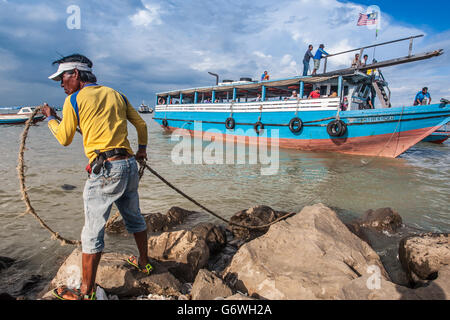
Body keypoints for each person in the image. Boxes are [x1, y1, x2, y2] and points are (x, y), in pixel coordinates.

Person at [42, 54, 152, 300]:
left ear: (76, 75)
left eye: (62, 78)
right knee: (134, 217)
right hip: (128, 165)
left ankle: (86, 292)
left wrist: (50, 117)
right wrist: (142, 150)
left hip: (107, 171)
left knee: (91, 232)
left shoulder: (74, 100)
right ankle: (144, 262)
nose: (61, 84)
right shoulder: (117, 94)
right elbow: (141, 126)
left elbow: (64, 138)